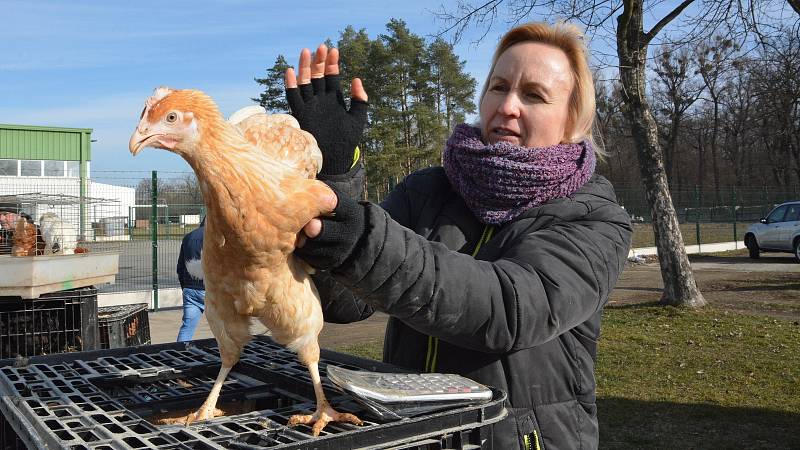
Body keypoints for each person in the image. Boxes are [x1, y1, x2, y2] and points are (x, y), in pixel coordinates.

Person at [285, 22, 632, 450]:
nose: (507, 106)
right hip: (413, 435)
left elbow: (509, 309)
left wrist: (365, 242)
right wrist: (336, 173)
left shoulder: (594, 218)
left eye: (534, 95)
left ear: (573, 121)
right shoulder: (428, 189)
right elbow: (344, 301)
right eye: (499, 87)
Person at [176, 217, 206, 342]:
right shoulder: (218, 237)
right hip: (211, 290)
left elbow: (180, 267)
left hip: (190, 289)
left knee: (187, 327)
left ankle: (178, 355)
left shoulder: (188, 237)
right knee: (225, 327)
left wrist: (185, 287)